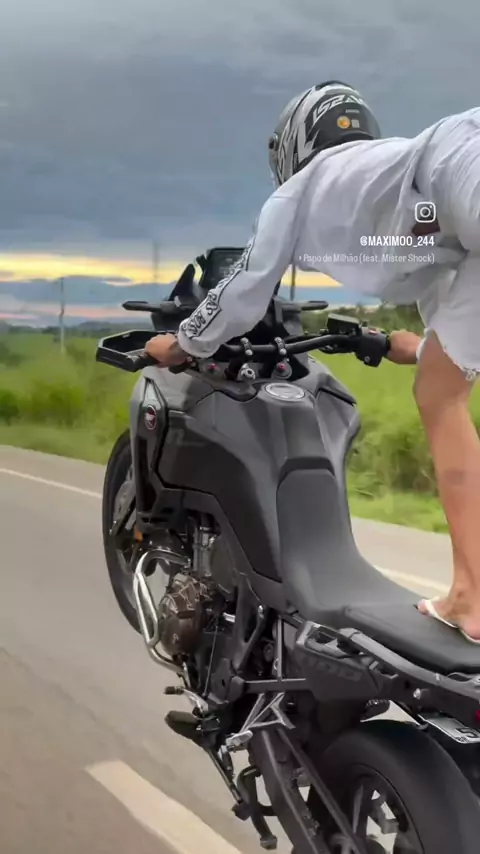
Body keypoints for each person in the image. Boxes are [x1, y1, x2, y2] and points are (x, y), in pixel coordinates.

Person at [145, 80, 480, 643]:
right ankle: (470, 594)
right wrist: (423, 351)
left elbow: (246, 286)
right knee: (440, 392)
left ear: (295, 145)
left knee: (439, 397)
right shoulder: (389, 180)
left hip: (465, 154)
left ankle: (473, 596)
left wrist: (182, 344)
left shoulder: (301, 189)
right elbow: (447, 290)